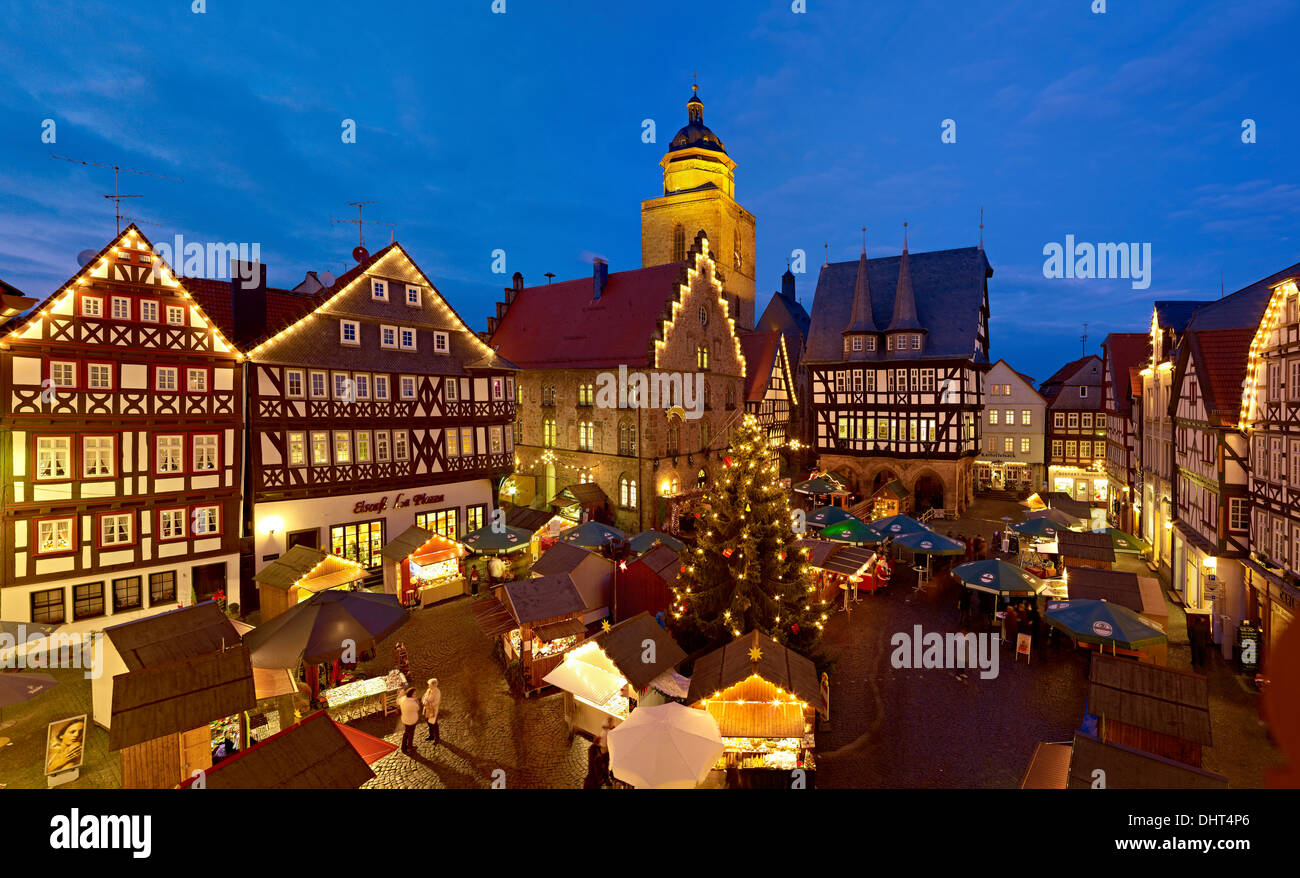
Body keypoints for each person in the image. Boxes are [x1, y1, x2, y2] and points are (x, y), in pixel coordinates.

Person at [399, 687, 421, 753]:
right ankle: (409, 747)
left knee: (406, 733)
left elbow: (398, 700)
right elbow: (417, 708)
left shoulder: (403, 699)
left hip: (405, 719)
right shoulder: (413, 703)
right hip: (412, 720)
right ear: (411, 694)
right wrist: (416, 701)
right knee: (411, 734)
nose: (415, 695)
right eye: (414, 694)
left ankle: (403, 746)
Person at [422, 678, 442, 745]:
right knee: (429, 723)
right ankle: (431, 736)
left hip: (432, 710)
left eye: (429, 684)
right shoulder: (429, 690)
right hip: (427, 709)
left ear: (434, 685)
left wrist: (429, 704)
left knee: (434, 724)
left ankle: (437, 738)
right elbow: (424, 697)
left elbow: (436, 702)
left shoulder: (437, 692)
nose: (428, 686)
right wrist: (424, 702)